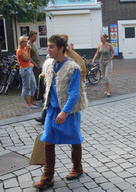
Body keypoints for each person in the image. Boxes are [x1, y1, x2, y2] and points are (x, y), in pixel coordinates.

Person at [33, 35, 88, 189]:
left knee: (74, 139)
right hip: (52, 109)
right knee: (48, 140)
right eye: (48, 46)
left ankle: (77, 168)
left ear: (61, 48)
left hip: (69, 110)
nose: (48, 50)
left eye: (51, 47)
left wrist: (64, 112)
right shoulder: (49, 64)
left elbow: (74, 93)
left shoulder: (73, 68)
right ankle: (47, 177)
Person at [16, 36, 38, 109]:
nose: (26, 43)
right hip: (24, 69)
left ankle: (31, 101)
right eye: (25, 42)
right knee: (26, 86)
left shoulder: (24, 49)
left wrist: (34, 63)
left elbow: (30, 59)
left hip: (29, 68)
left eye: (26, 41)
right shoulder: (20, 51)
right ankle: (28, 104)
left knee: (33, 85)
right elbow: (27, 59)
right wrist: (28, 51)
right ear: (21, 43)